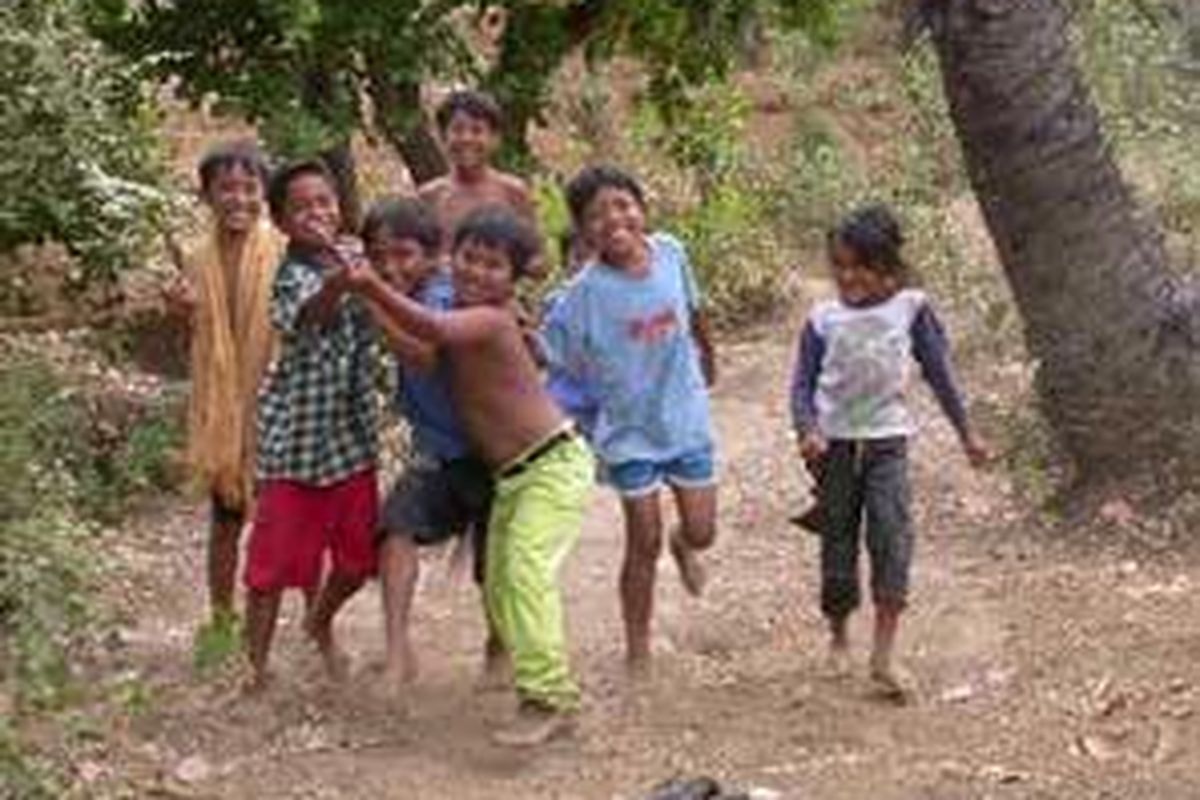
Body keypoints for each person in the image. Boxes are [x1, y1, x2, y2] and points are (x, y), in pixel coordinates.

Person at [349, 207, 593, 748]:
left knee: (523, 574)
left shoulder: (491, 319)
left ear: (514, 280)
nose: (476, 271)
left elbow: (432, 329)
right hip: (517, 475)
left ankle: (549, 696)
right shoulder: (458, 308)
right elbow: (424, 348)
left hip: (552, 466)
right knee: (504, 583)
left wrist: (371, 288)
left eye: (493, 265)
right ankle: (538, 683)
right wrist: (374, 295)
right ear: (449, 257)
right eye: (469, 258)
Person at [789, 203, 989, 701]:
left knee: (891, 538)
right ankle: (839, 635)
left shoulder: (911, 309)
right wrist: (807, 429)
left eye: (862, 266)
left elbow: (940, 374)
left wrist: (967, 433)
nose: (848, 276)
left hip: (887, 445)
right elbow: (801, 385)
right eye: (840, 266)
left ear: (889, 267)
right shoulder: (823, 319)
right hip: (834, 450)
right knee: (838, 546)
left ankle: (884, 655)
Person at [544, 165, 719, 674]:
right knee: (642, 538)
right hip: (628, 432)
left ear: (642, 209)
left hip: (684, 418)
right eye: (596, 214)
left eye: (622, 205)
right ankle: (637, 648)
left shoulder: (671, 253)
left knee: (703, 530)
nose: (613, 219)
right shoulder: (582, 294)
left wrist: (709, 353)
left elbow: (694, 309)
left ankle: (684, 546)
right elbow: (553, 353)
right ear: (583, 231)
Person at [242, 160, 379, 692]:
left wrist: (364, 274)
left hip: (351, 441)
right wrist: (340, 284)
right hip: (294, 446)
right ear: (280, 222)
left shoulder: (358, 257)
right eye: (301, 207)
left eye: (324, 202)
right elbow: (308, 316)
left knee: (358, 559)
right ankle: (255, 669)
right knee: (270, 568)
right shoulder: (289, 276)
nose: (317, 213)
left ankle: (319, 623)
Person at [357, 196, 502, 693]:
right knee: (395, 530)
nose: (390, 267)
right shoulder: (396, 294)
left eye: (403, 254)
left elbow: (424, 356)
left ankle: (499, 649)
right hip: (437, 454)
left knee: (495, 566)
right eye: (378, 256)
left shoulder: (443, 298)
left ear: (434, 257)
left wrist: (374, 303)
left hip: (490, 455)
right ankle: (398, 652)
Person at [163, 140, 283, 670]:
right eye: (226, 188)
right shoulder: (194, 261)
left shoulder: (283, 250)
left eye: (249, 187)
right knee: (226, 520)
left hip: (276, 408)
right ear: (207, 196)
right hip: (222, 413)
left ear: (264, 194)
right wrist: (180, 313)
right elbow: (187, 343)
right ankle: (220, 618)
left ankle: (298, 621)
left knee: (285, 521)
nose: (238, 198)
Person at [418, 89, 538, 262]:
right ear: (443, 137)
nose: (466, 138)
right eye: (457, 130)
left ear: (495, 139)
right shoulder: (429, 196)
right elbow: (419, 258)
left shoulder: (513, 192)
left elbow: (538, 260)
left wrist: (496, 264)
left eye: (477, 130)